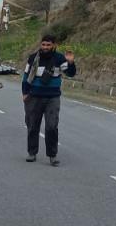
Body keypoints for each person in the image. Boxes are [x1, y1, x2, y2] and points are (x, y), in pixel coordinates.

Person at [22, 34, 76, 166]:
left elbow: (70, 73)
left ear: (54, 45)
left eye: (48, 45)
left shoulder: (59, 58)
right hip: (34, 96)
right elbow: (26, 76)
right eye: (43, 44)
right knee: (32, 125)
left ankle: (52, 155)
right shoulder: (33, 58)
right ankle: (32, 153)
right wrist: (25, 93)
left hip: (52, 97)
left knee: (52, 127)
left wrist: (70, 62)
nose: (45, 47)